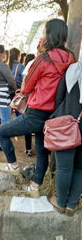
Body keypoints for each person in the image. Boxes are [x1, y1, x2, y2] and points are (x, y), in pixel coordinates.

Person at [0, 19, 75, 198]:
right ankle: (35, 186)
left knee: (2, 131)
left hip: (36, 113)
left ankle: (13, 165)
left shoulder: (43, 58)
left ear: (49, 35)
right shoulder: (71, 58)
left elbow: (26, 88)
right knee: (41, 152)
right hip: (55, 115)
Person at [47, 54, 82, 216]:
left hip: (67, 126)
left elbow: (58, 98)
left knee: (64, 167)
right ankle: (71, 205)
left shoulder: (72, 70)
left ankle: (60, 203)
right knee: (80, 168)